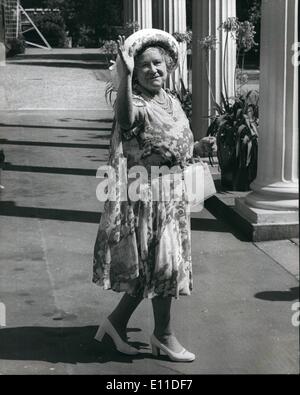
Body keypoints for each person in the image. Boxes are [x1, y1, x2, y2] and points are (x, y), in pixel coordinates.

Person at [93, 29, 199, 362]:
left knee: (152, 271)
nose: (154, 70)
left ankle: (115, 323)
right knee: (165, 269)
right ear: (135, 73)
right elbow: (126, 121)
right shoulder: (136, 101)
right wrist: (124, 77)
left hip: (173, 195)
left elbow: (172, 141)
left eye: (159, 64)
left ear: (168, 66)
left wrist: (198, 147)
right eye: (144, 66)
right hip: (149, 198)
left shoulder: (170, 99)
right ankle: (163, 336)